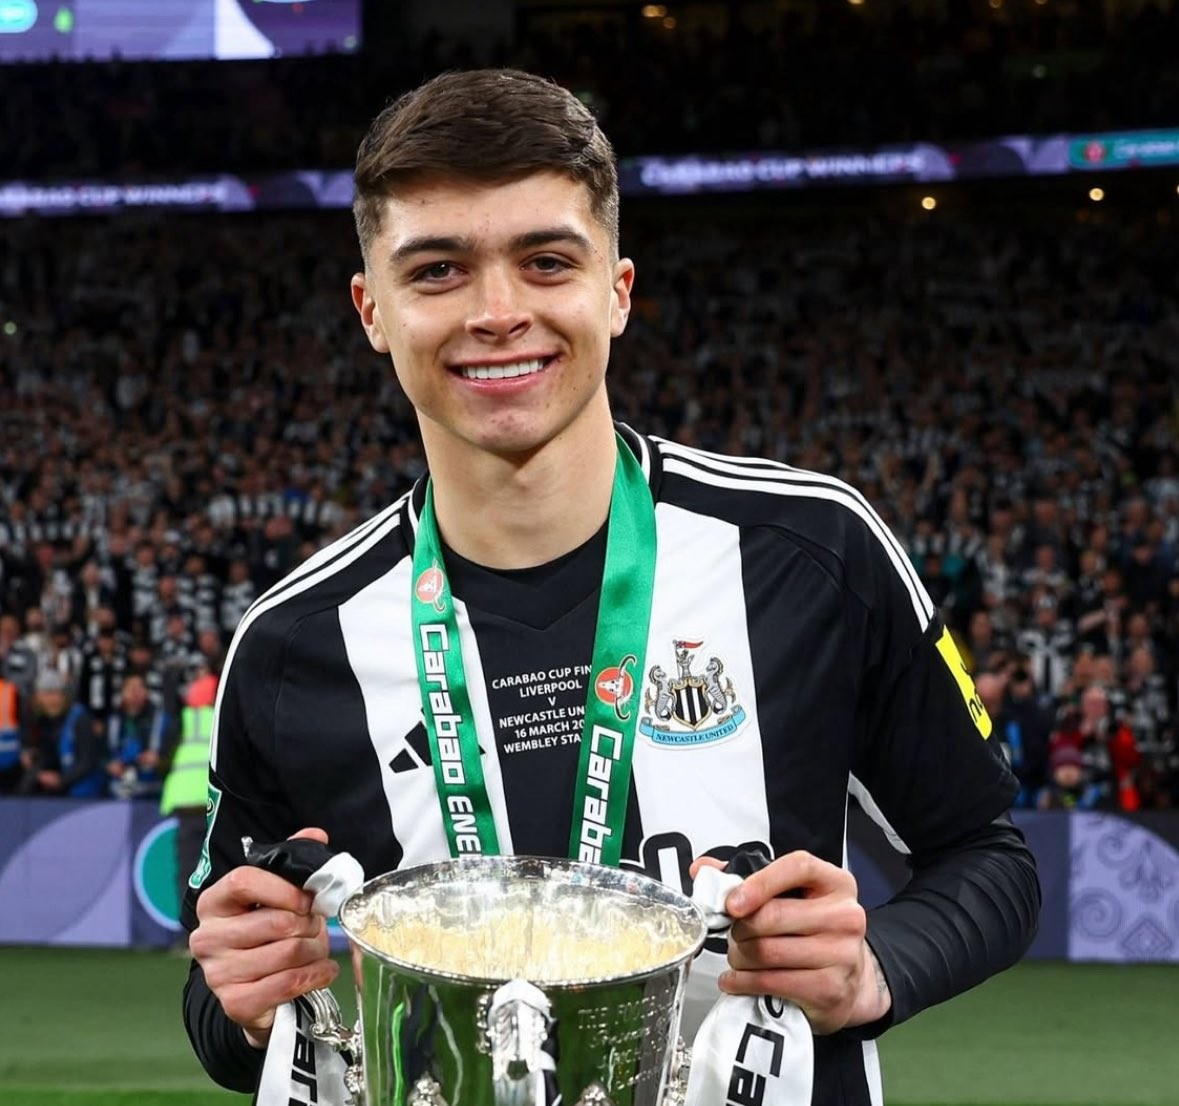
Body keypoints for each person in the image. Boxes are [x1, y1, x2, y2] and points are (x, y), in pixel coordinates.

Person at [182, 69, 1040, 1105]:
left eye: (546, 261)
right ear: (373, 310)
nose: (498, 312)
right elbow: (223, 995)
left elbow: (990, 856)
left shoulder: (814, 551)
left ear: (618, 290)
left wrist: (874, 969)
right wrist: (248, 999)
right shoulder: (291, 643)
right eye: (438, 270)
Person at [18, 669, 103, 797]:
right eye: (46, 694)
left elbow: (87, 761)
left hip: (82, 790)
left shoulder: (80, 719)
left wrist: (60, 780)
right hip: (59, 783)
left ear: (64, 696)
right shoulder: (43, 721)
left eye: (56, 693)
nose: (52, 700)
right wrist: (36, 767)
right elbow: (49, 755)